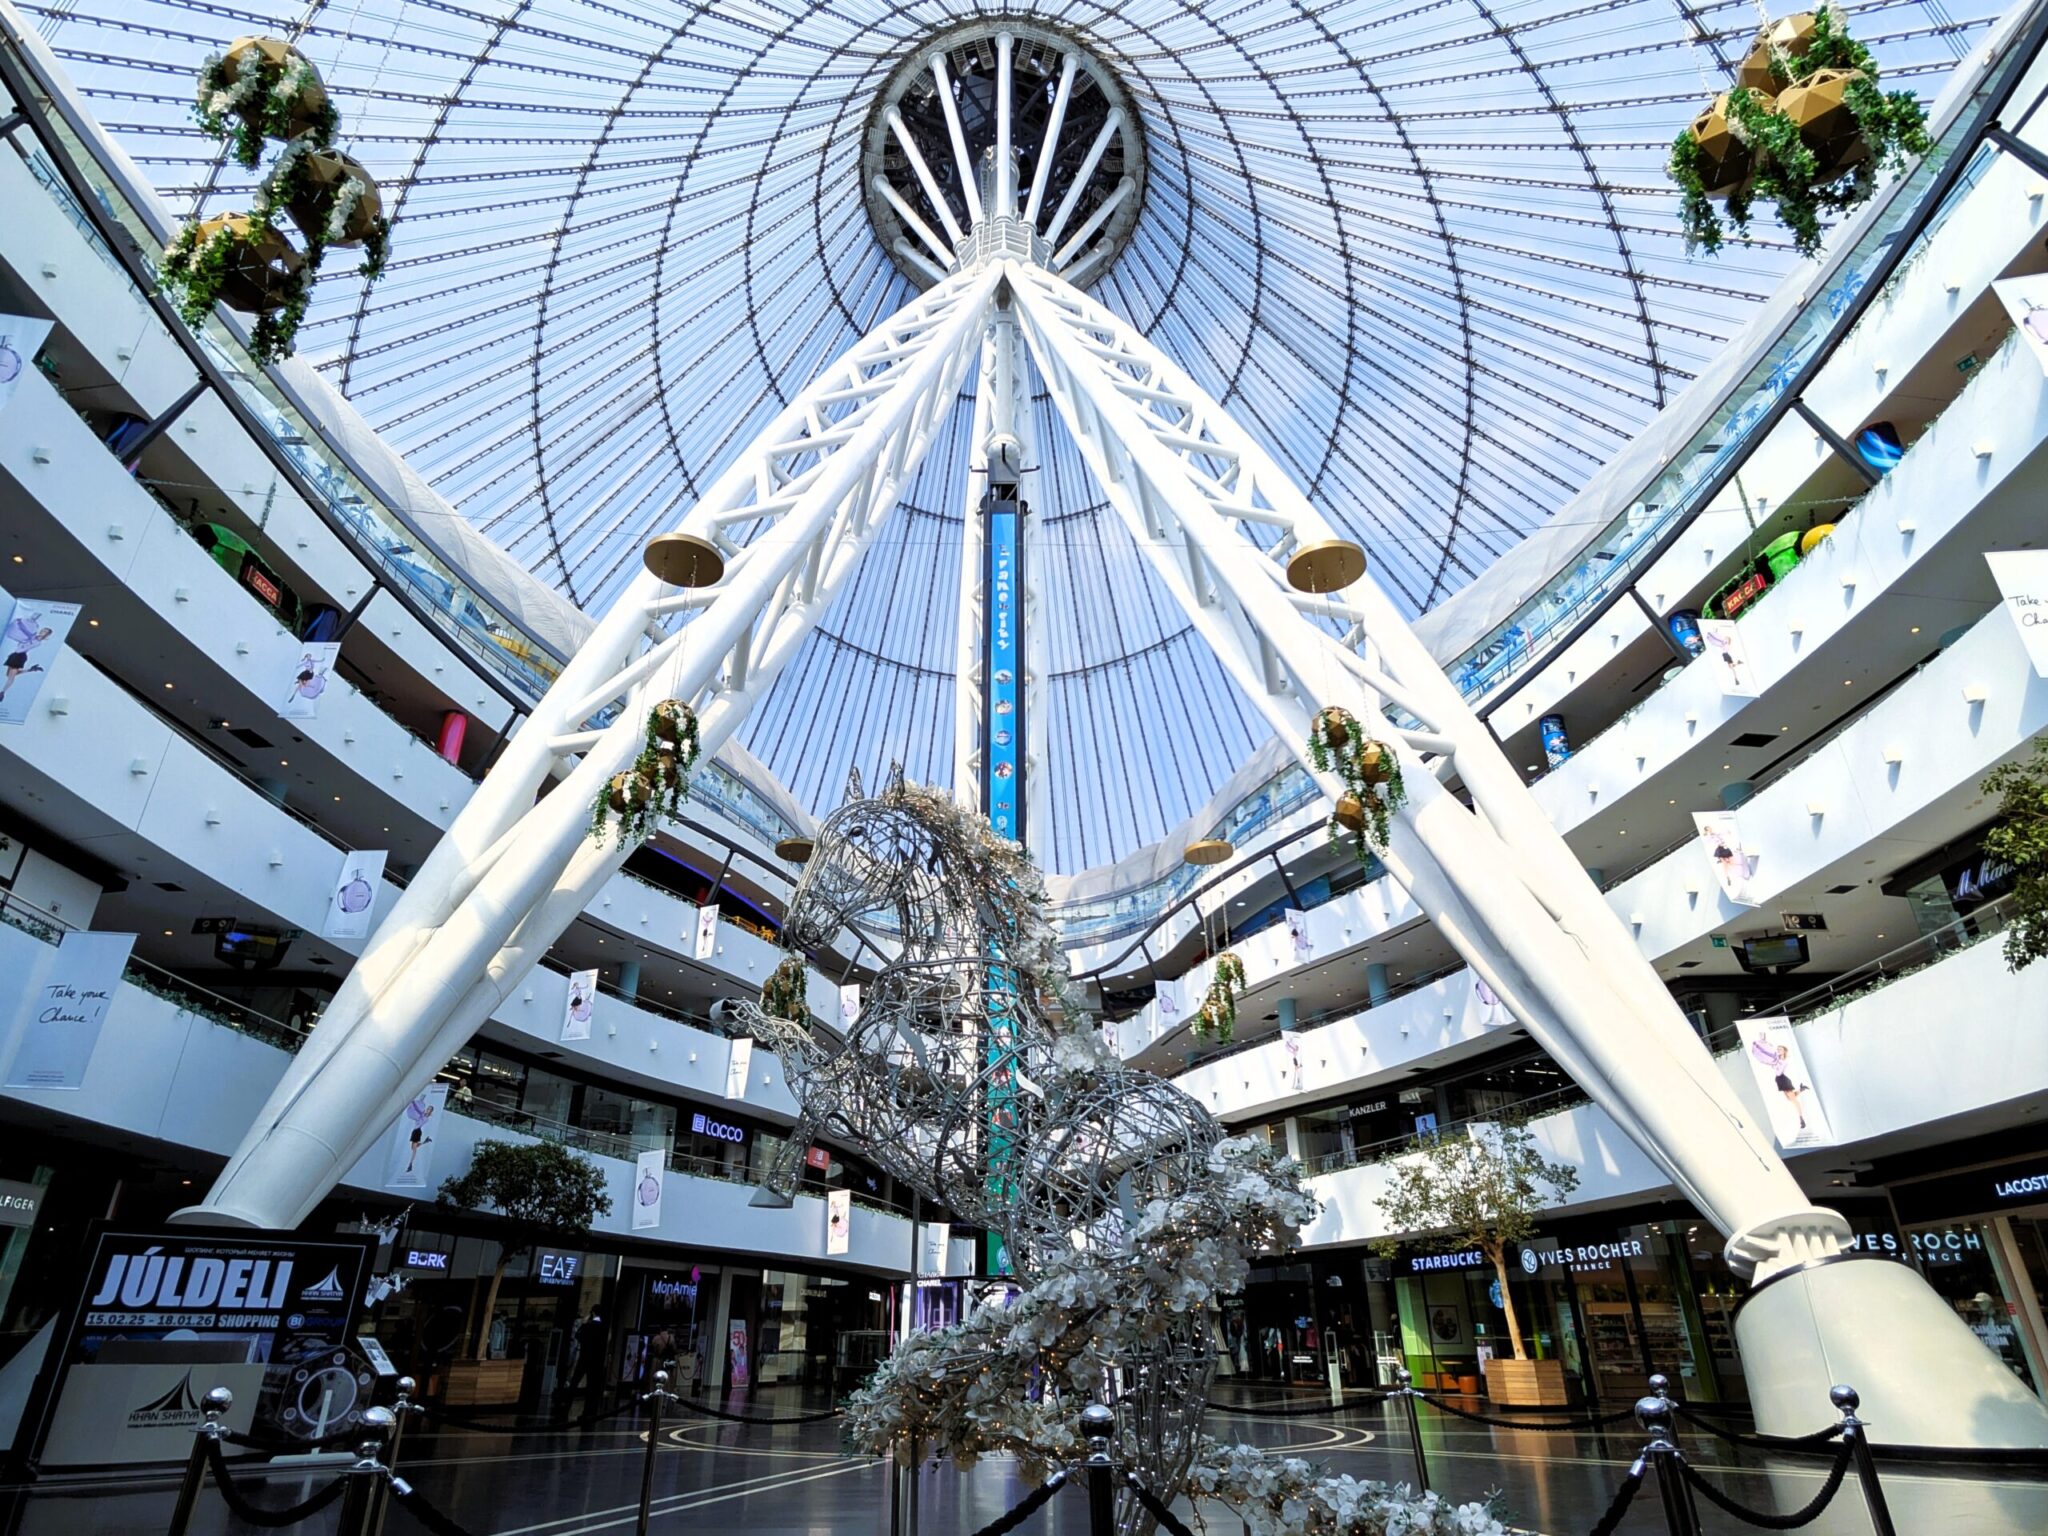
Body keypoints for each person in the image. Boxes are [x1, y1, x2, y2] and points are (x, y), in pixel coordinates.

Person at [1750, 1036, 1808, 1129]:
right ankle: (1801, 1089)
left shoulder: (1784, 1061)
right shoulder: (1776, 1058)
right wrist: (1758, 1045)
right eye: (1778, 1049)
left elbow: (1778, 1069)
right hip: (1779, 1079)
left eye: (1780, 1049)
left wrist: (1774, 1063)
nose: (1778, 1050)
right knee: (1790, 1099)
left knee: (1793, 1100)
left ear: (1784, 1051)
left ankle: (1801, 1119)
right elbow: (1766, 1052)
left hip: (1783, 1079)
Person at [563, 1308, 608, 1419]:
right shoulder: (602, 1328)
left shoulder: (587, 1326)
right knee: (591, 1386)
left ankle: (565, 1407)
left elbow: (578, 1336)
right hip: (595, 1360)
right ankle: (588, 1411)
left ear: (592, 1313)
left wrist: (585, 1321)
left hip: (584, 1358)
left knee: (574, 1382)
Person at [1, 614, 54, 705]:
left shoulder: (37, 641)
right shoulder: (33, 636)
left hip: (20, 656)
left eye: (45, 631)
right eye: (43, 629)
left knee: (11, 676)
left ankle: (2, 692)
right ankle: (30, 670)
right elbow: (25, 632)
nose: (42, 631)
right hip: (15, 655)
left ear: (46, 634)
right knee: (9, 675)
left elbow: (25, 633)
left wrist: (20, 623)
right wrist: (20, 623)